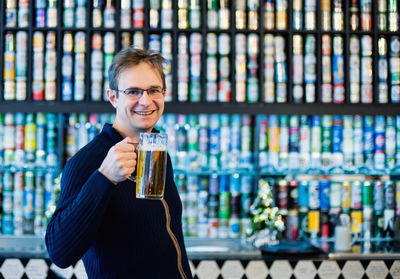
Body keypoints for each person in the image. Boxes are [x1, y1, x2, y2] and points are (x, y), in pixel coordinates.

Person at [45, 48, 193, 279]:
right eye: (133, 91)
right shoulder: (88, 161)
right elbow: (59, 252)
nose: (146, 101)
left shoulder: (156, 151)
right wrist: (104, 178)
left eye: (154, 90)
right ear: (113, 97)